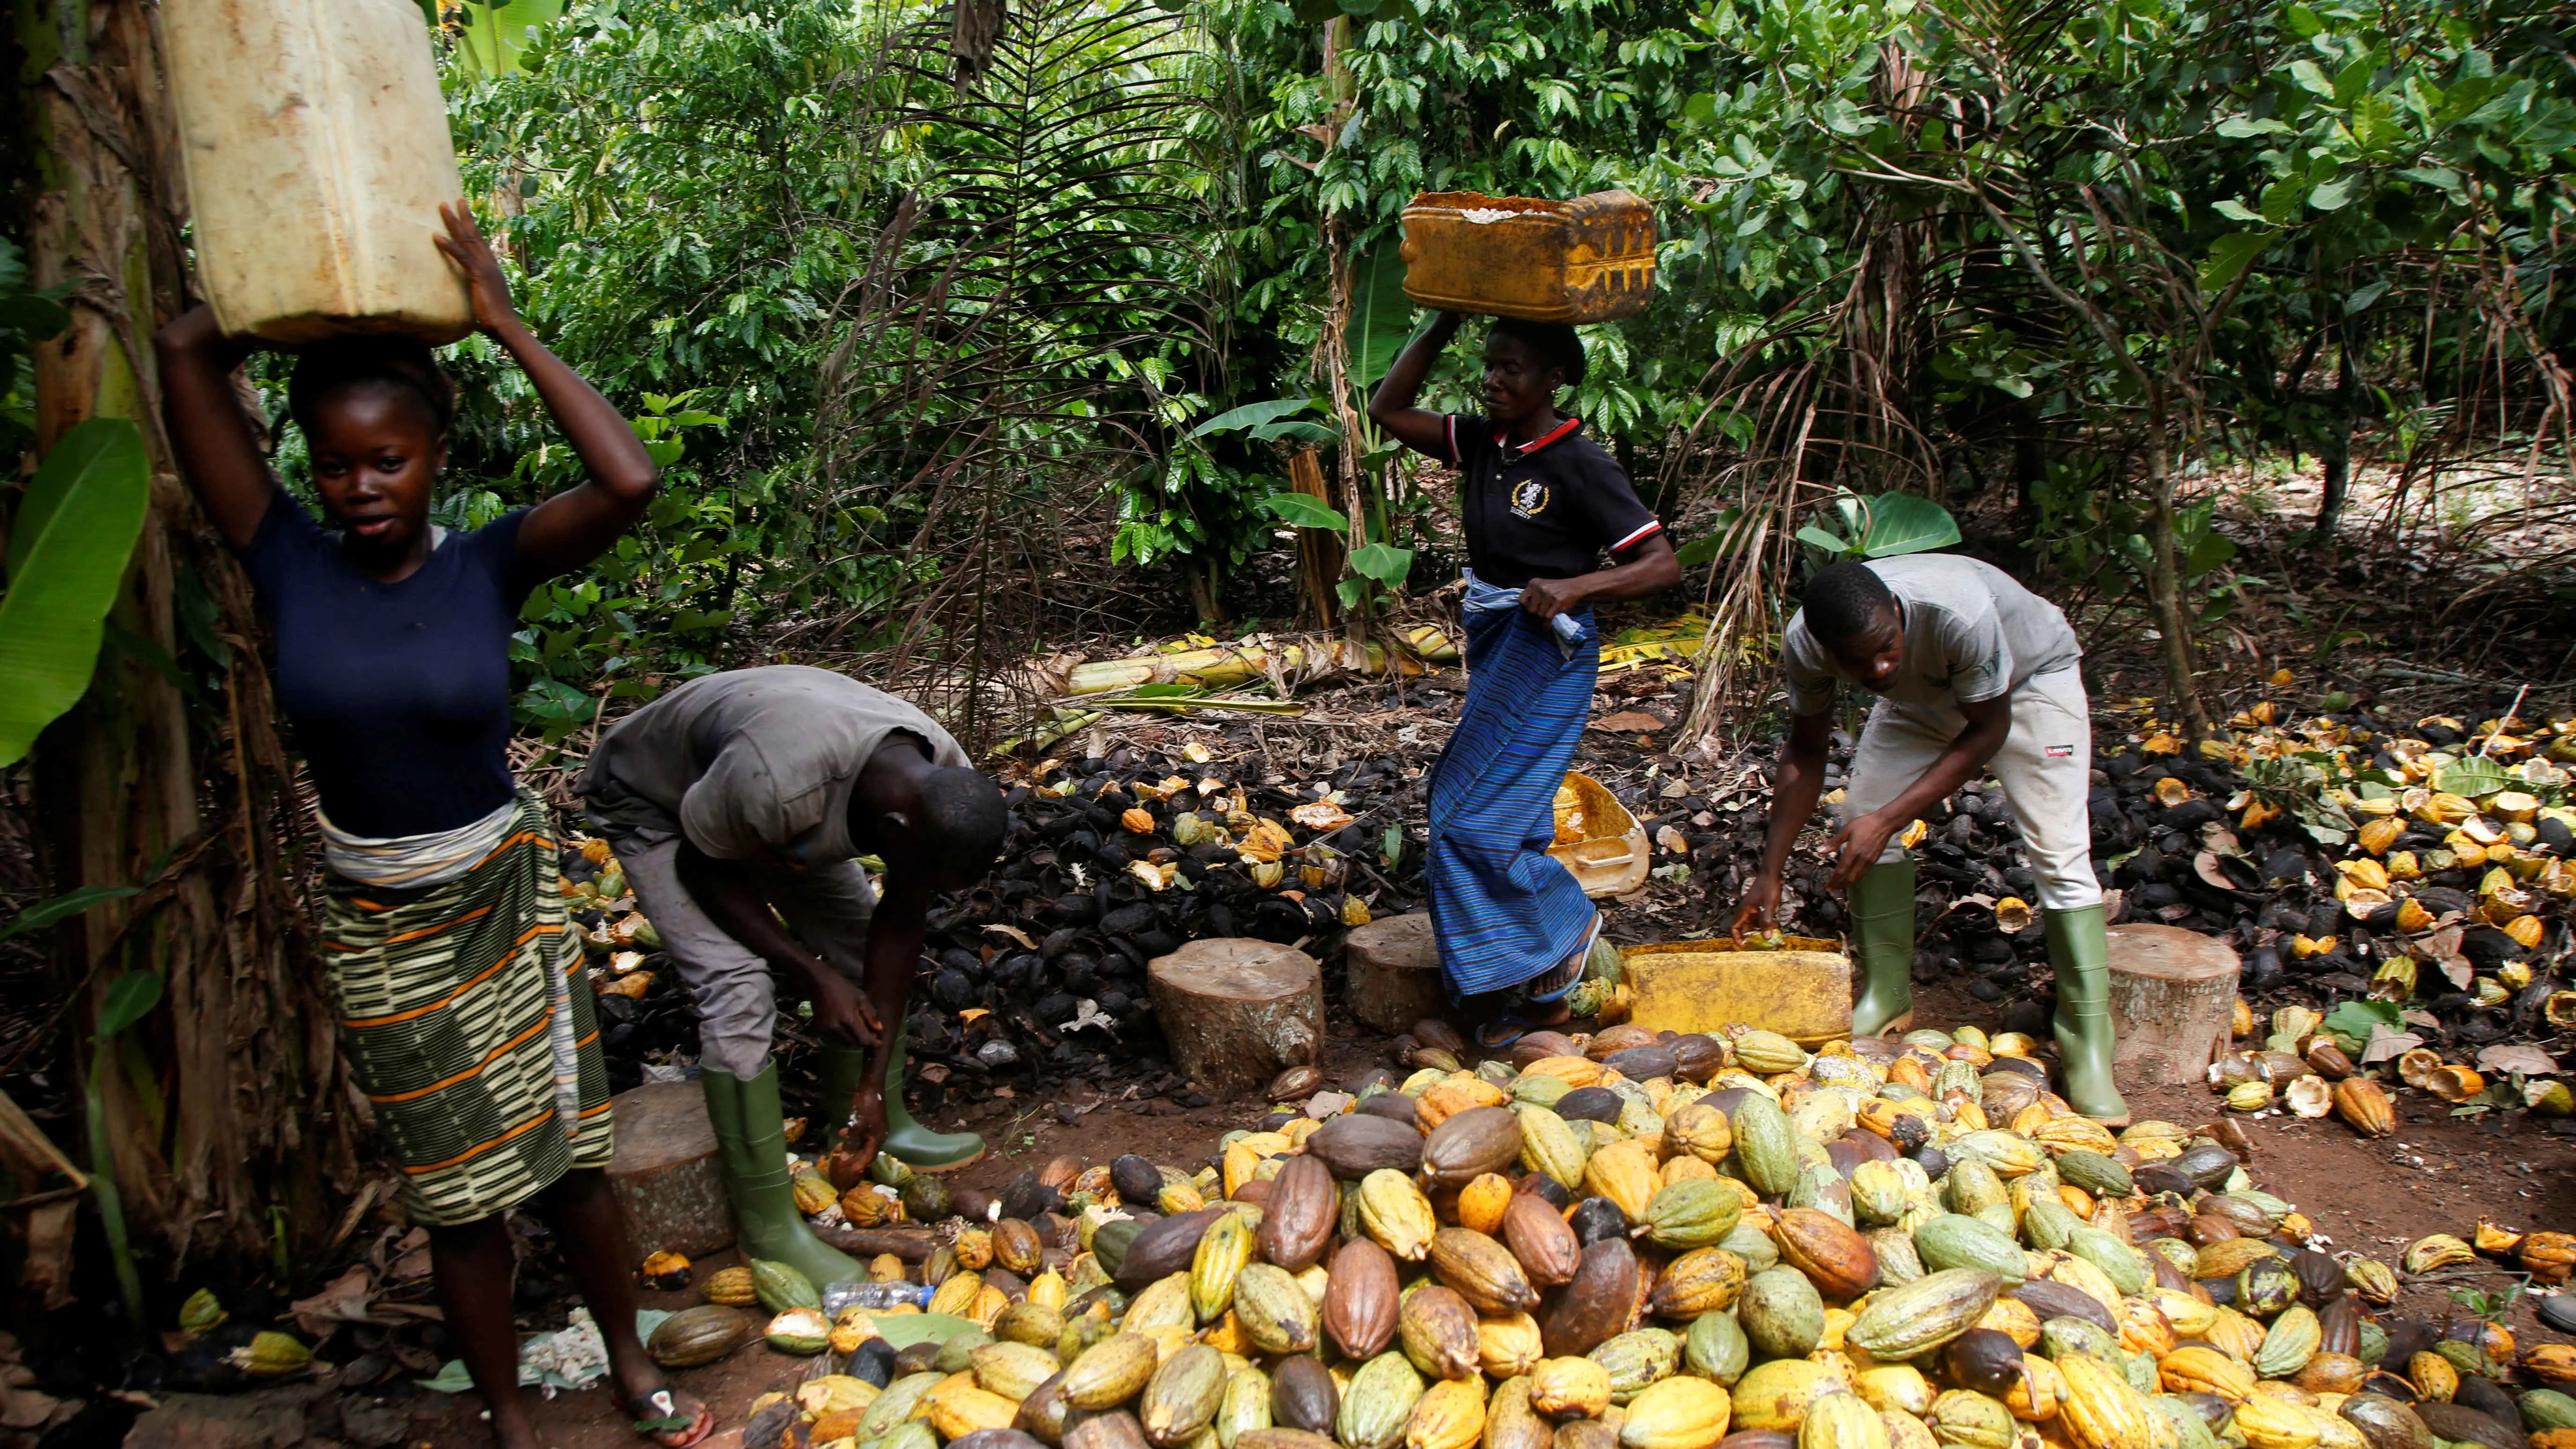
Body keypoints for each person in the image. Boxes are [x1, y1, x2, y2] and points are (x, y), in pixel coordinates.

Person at [156, 206, 710, 1448]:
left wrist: (501, 320)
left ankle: (630, 1364)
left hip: (508, 900)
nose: (360, 488)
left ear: (434, 454)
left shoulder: (489, 565)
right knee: (460, 1197)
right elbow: (185, 356)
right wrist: (294, 279)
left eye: (388, 460)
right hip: (381, 920)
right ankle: (510, 1416)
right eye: (337, 463)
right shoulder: (285, 555)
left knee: (571, 1161)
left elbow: (630, 478)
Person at [576, 665, 1009, 1288]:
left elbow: (900, 916)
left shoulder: (942, 772)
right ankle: (769, 1226)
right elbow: (708, 871)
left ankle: (859, 1123)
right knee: (737, 988)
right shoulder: (775, 780)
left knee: (860, 937)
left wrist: (872, 1086)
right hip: (661, 808)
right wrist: (809, 974)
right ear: (894, 832)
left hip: (765, 817)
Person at [1367, 311, 1681, 1045]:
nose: (1494, 379)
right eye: (1490, 364)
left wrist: (1578, 586)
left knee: (1464, 819)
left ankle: (1565, 935)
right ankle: (1535, 991)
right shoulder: (1483, 442)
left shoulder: (1580, 462)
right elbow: (1387, 409)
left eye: (1513, 368)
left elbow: (1662, 563)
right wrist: (1444, 318)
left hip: (1549, 649)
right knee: (1510, 812)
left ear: (1554, 380)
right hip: (1496, 634)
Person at [1729, 556, 2127, 1124]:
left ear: (1896, 610)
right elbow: (1807, 750)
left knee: (2058, 852)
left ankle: (2088, 1044)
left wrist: (1890, 818)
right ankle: (1886, 995)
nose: (1881, 665)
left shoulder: (1955, 611)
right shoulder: (1808, 643)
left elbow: (1989, 727)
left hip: (2031, 681)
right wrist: (1768, 871)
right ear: (1826, 650)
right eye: (1859, 663)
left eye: (1888, 646)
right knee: (1860, 820)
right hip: (1925, 697)